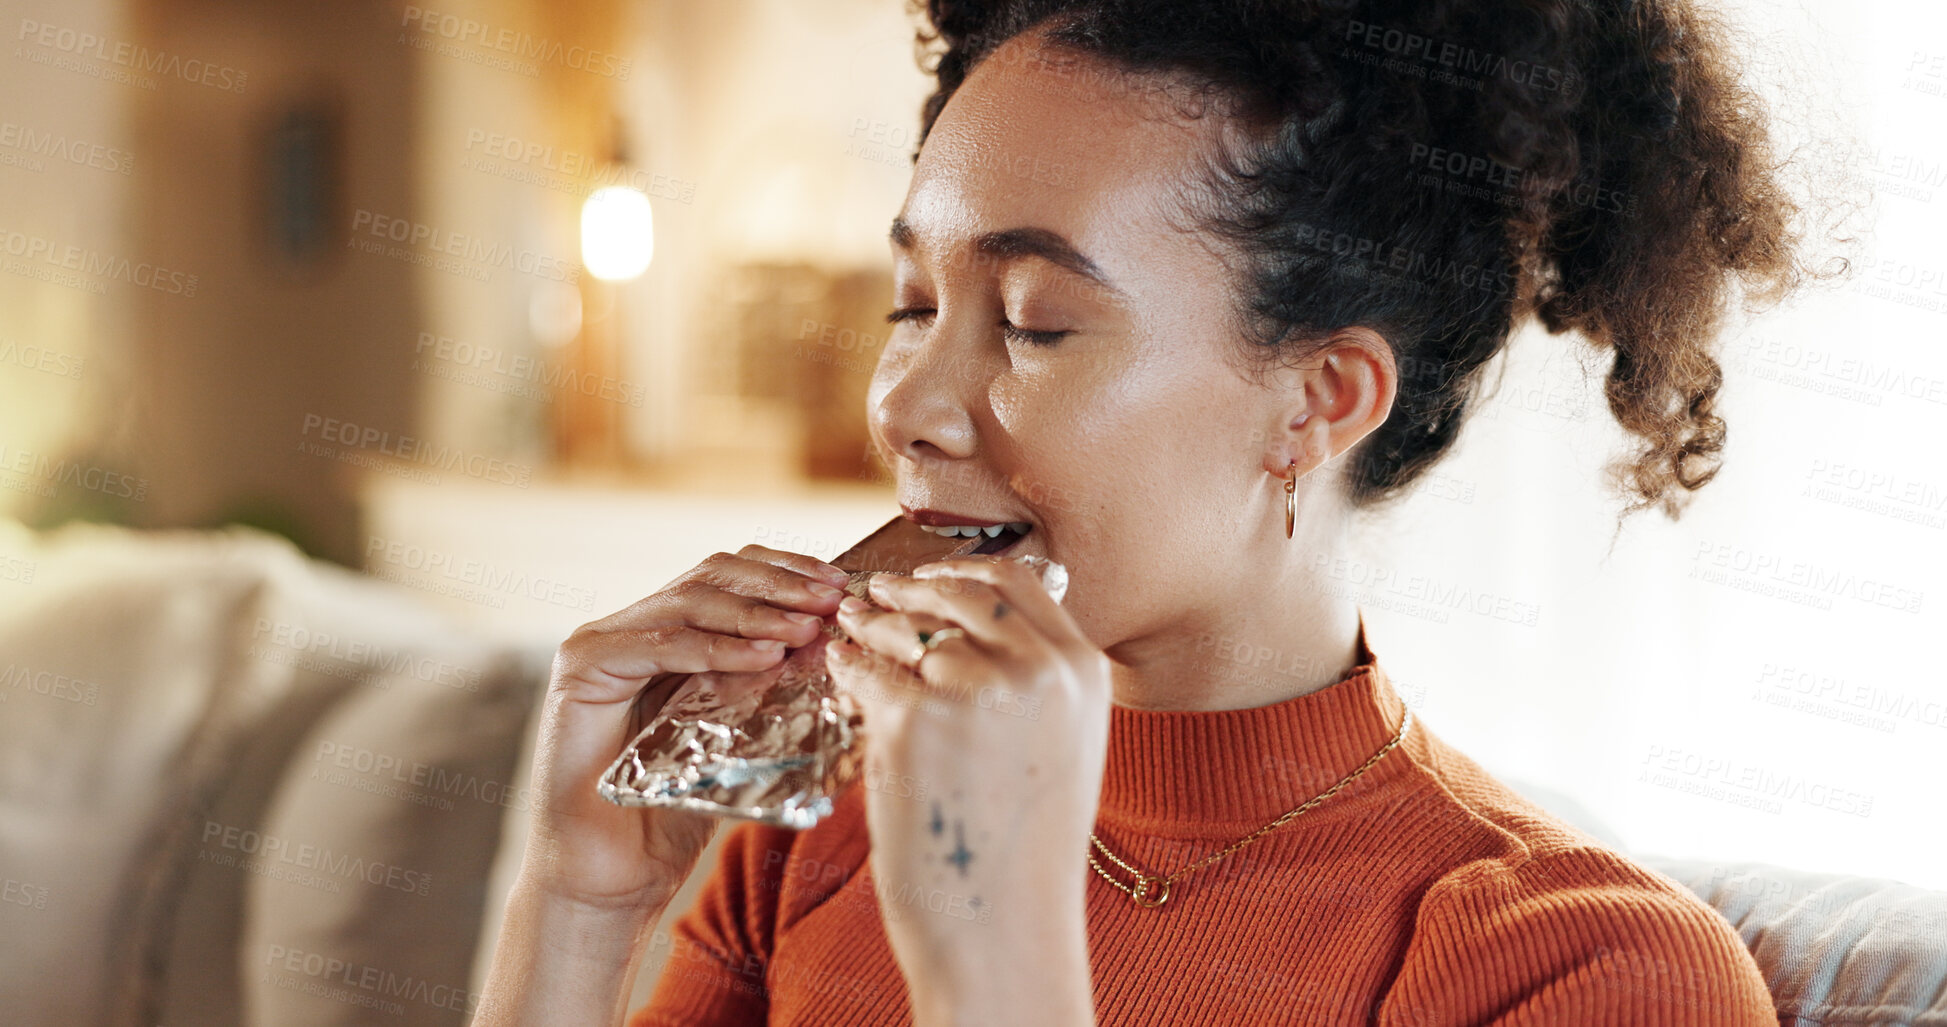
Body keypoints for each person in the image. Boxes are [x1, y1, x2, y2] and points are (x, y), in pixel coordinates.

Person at [476, 0, 1823, 1023]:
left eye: (1034, 323)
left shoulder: (1585, 969)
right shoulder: (815, 834)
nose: (907, 409)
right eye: (910, 307)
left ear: (1317, 402)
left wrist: (991, 953)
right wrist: (584, 896)